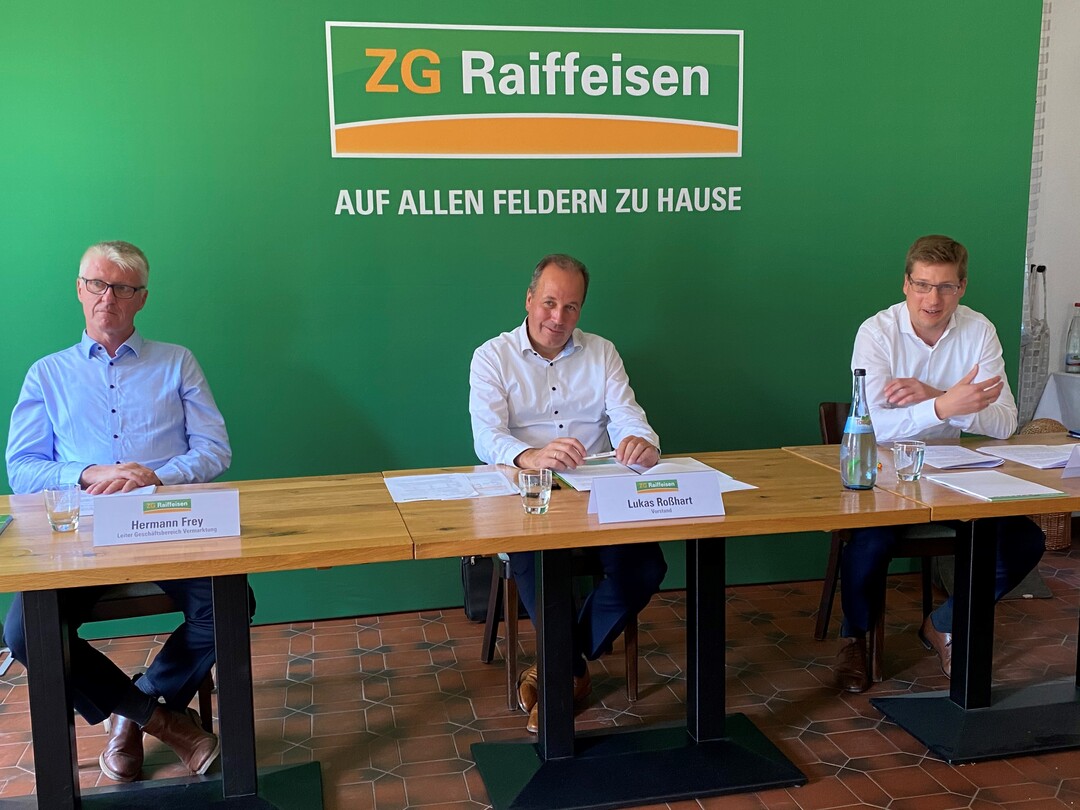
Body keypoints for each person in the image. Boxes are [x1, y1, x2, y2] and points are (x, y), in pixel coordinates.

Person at [4, 240, 242, 782]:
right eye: (97, 284)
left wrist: (154, 475)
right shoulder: (47, 374)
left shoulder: (177, 361)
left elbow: (214, 451)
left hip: (167, 521)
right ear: (79, 290)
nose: (107, 297)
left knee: (229, 605)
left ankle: (135, 708)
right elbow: (22, 469)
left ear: (142, 298)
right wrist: (88, 473)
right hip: (80, 532)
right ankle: (159, 720)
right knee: (23, 633)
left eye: (122, 287)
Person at [833, 234, 1045, 692]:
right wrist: (944, 406)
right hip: (883, 474)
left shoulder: (979, 330)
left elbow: (1004, 423)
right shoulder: (877, 332)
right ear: (906, 284)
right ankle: (855, 638)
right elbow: (871, 425)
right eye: (923, 285)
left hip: (951, 474)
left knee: (1025, 541)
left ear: (962, 287)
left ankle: (945, 623)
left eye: (946, 287)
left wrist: (937, 398)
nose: (933, 299)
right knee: (869, 542)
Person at [469, 253, 667, 733]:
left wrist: (641, 442)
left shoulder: (603, 352)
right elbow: (486, 435)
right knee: (537, 561)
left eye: (571, 307)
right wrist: (530, 456)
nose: (558, 317)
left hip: (597, 494)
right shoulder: (491, 356)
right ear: (529, 300)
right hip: (526, 495)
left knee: (646, 565)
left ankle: (562, 661)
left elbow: (627, 415)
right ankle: (565, 678)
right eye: (550, 303)